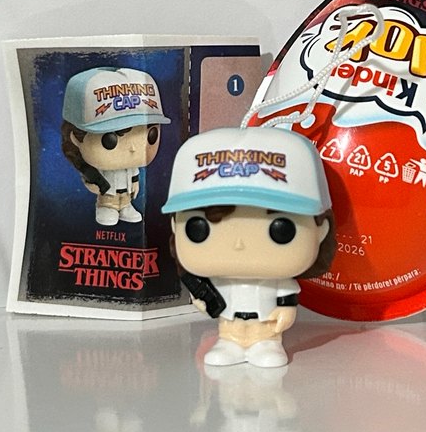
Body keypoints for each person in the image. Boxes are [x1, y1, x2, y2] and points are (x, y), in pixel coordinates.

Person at [163, 126, 335, 367]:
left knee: (267, 352)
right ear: (175, 226)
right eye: (199, 229)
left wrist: (285, 313)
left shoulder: (279, 283)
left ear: (321, 230)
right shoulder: (215, 281)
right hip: (229, 328)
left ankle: (267, 345)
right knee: (226, 347)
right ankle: (229, 345)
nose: (238, 244)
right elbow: (204, 299)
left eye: (281, 230)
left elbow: (286, 300)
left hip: (265, 329)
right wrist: (202, 299)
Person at [62, 66, 170, 226]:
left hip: (126, 196)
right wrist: (93, 184)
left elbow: (134, 175)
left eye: (150, 135)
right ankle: (107, 208)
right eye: (110, 140)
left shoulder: (131, 167)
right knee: (108, 207)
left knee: (126, 205)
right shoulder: (95, 170)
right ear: (76, 138)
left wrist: (135, 184)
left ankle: (125, 207)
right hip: (108, 196)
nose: (133, 148)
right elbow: (91, 179)